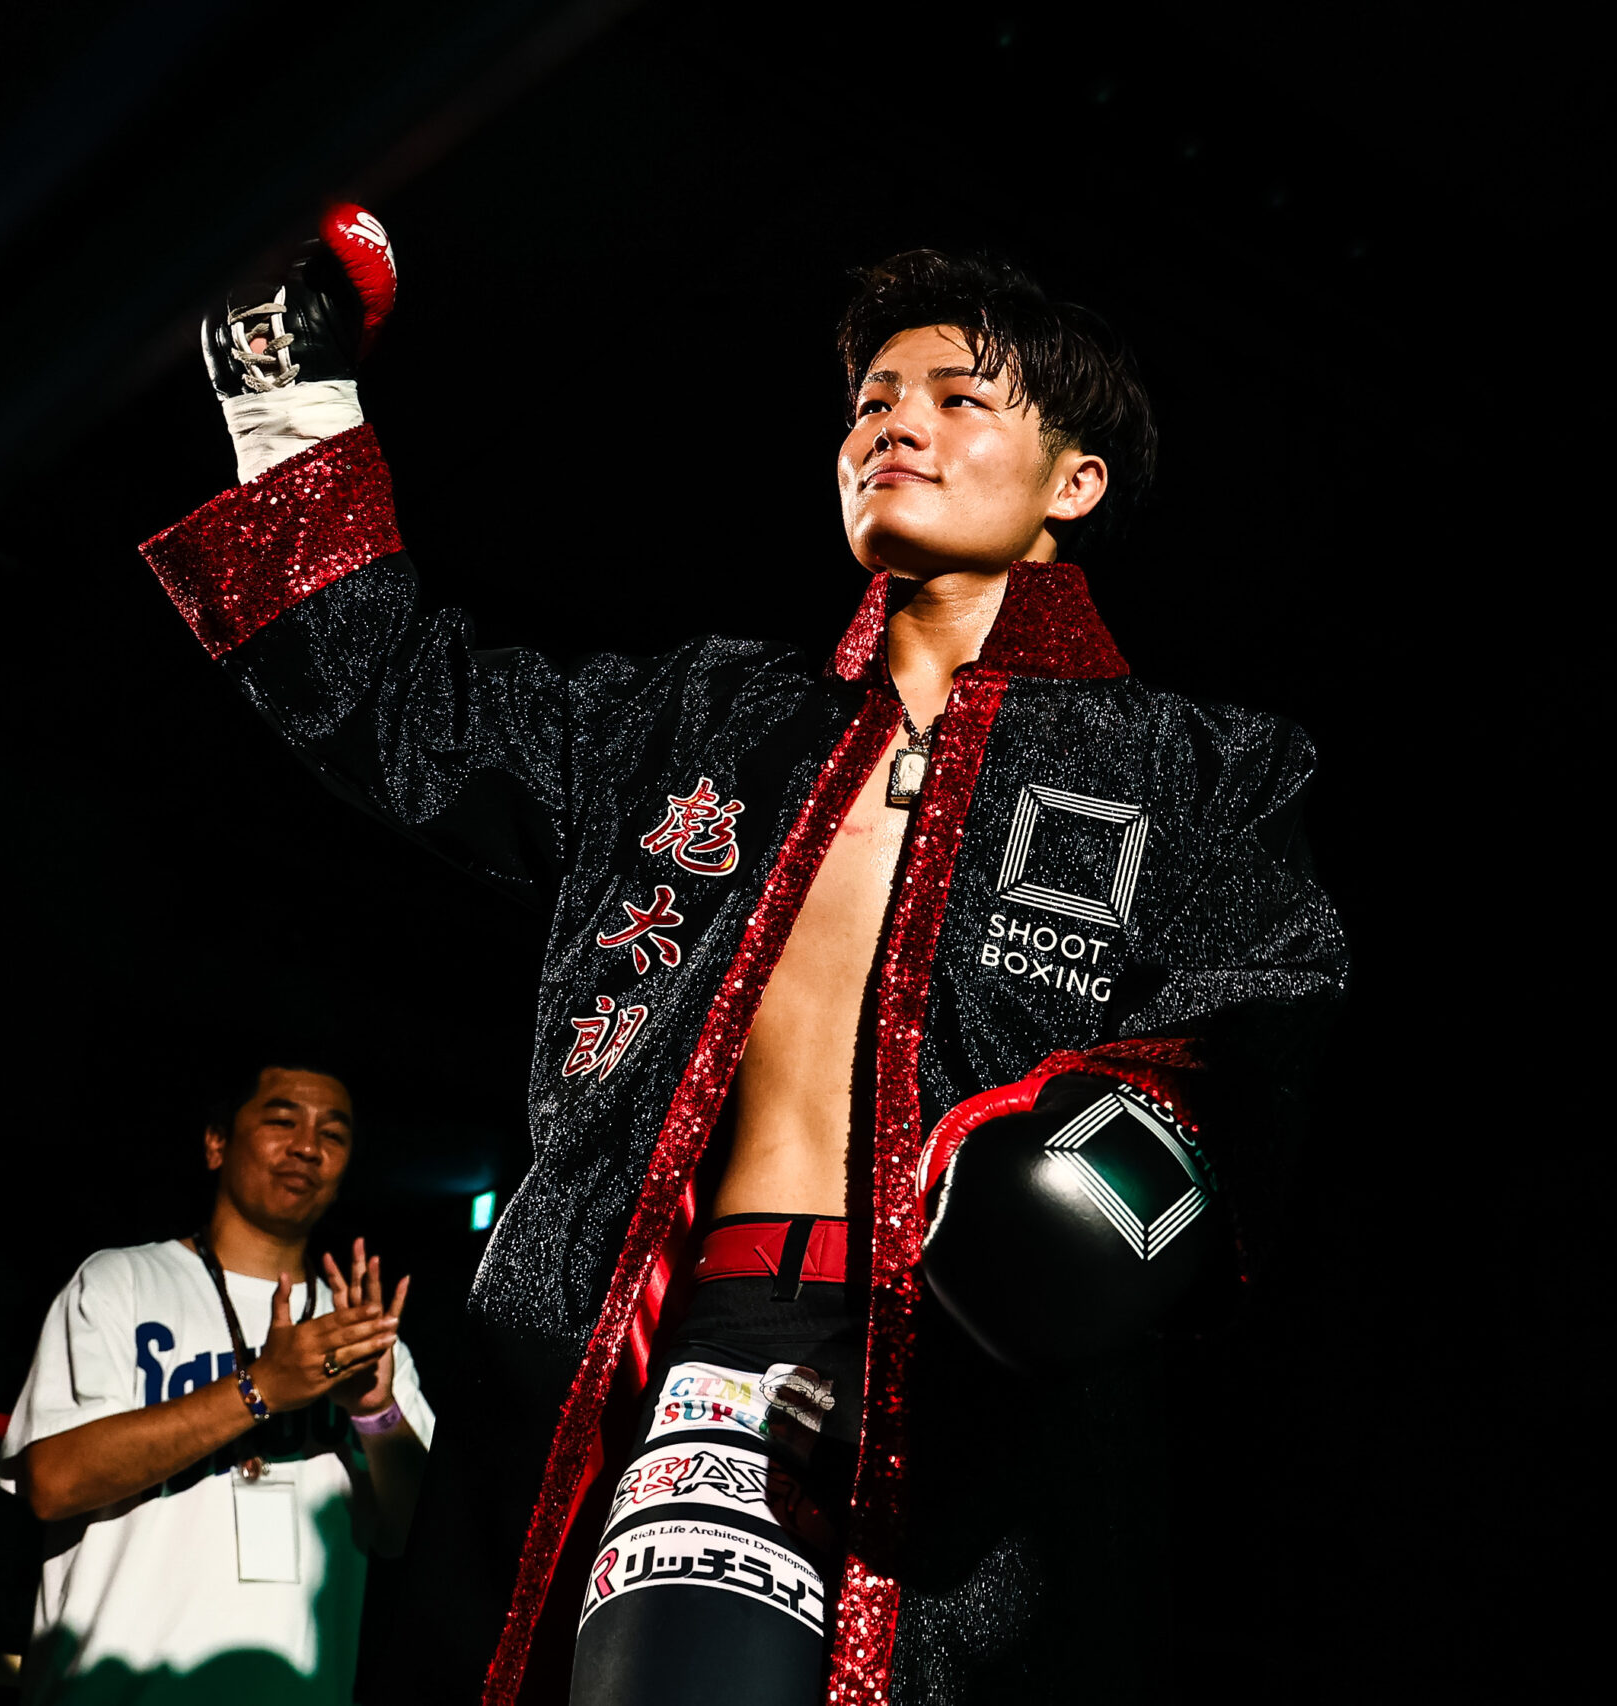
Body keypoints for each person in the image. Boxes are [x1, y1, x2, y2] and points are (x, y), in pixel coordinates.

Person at [137, 208, 1346, 1705]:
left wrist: (1087, 1199)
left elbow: (1257, 1027)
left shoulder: (1199, 772)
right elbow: (400, 698)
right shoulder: (693, 722)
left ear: (1073, 481)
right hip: (657, 1345)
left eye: (959, 397)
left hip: (981, 1401)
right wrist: (289, 395)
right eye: (872, 401)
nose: (895, 424)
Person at [0, 1061, 434, 1703]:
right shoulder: (120, 1282)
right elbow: (53, 1483)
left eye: (333, 1134)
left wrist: (376, 1411)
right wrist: (259, 1390)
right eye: (282, 1121)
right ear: (216, 1143)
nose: (307, 1147)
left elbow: (415, 1539)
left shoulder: (362, 1333)